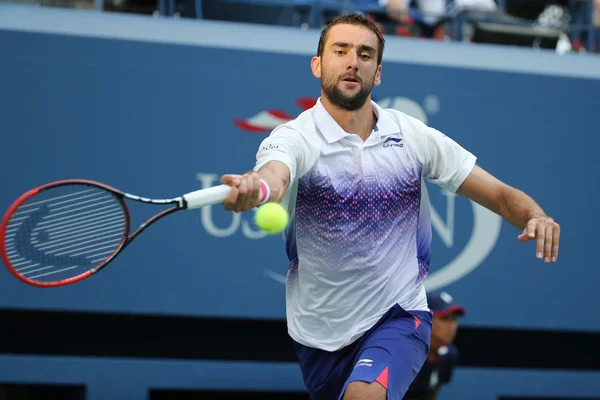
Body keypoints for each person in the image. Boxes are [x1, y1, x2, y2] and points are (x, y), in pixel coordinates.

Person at [219, 13, 561, 400]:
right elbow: (275, 175)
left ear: (377, 73)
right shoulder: (295, 137)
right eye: (340, 50)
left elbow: (499, 194)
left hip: (399, 316)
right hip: (318, 334)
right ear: (318, 65)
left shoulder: (412, 136)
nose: (353, 61)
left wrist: (536, 214)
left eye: (365, 54)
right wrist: (257, 187)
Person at [404, 292, 465, 400]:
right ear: (425, 319)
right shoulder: (402, 353)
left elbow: (432, 393)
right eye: (445, 319)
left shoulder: (449, 355)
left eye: (454, 319)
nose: (452, 326)